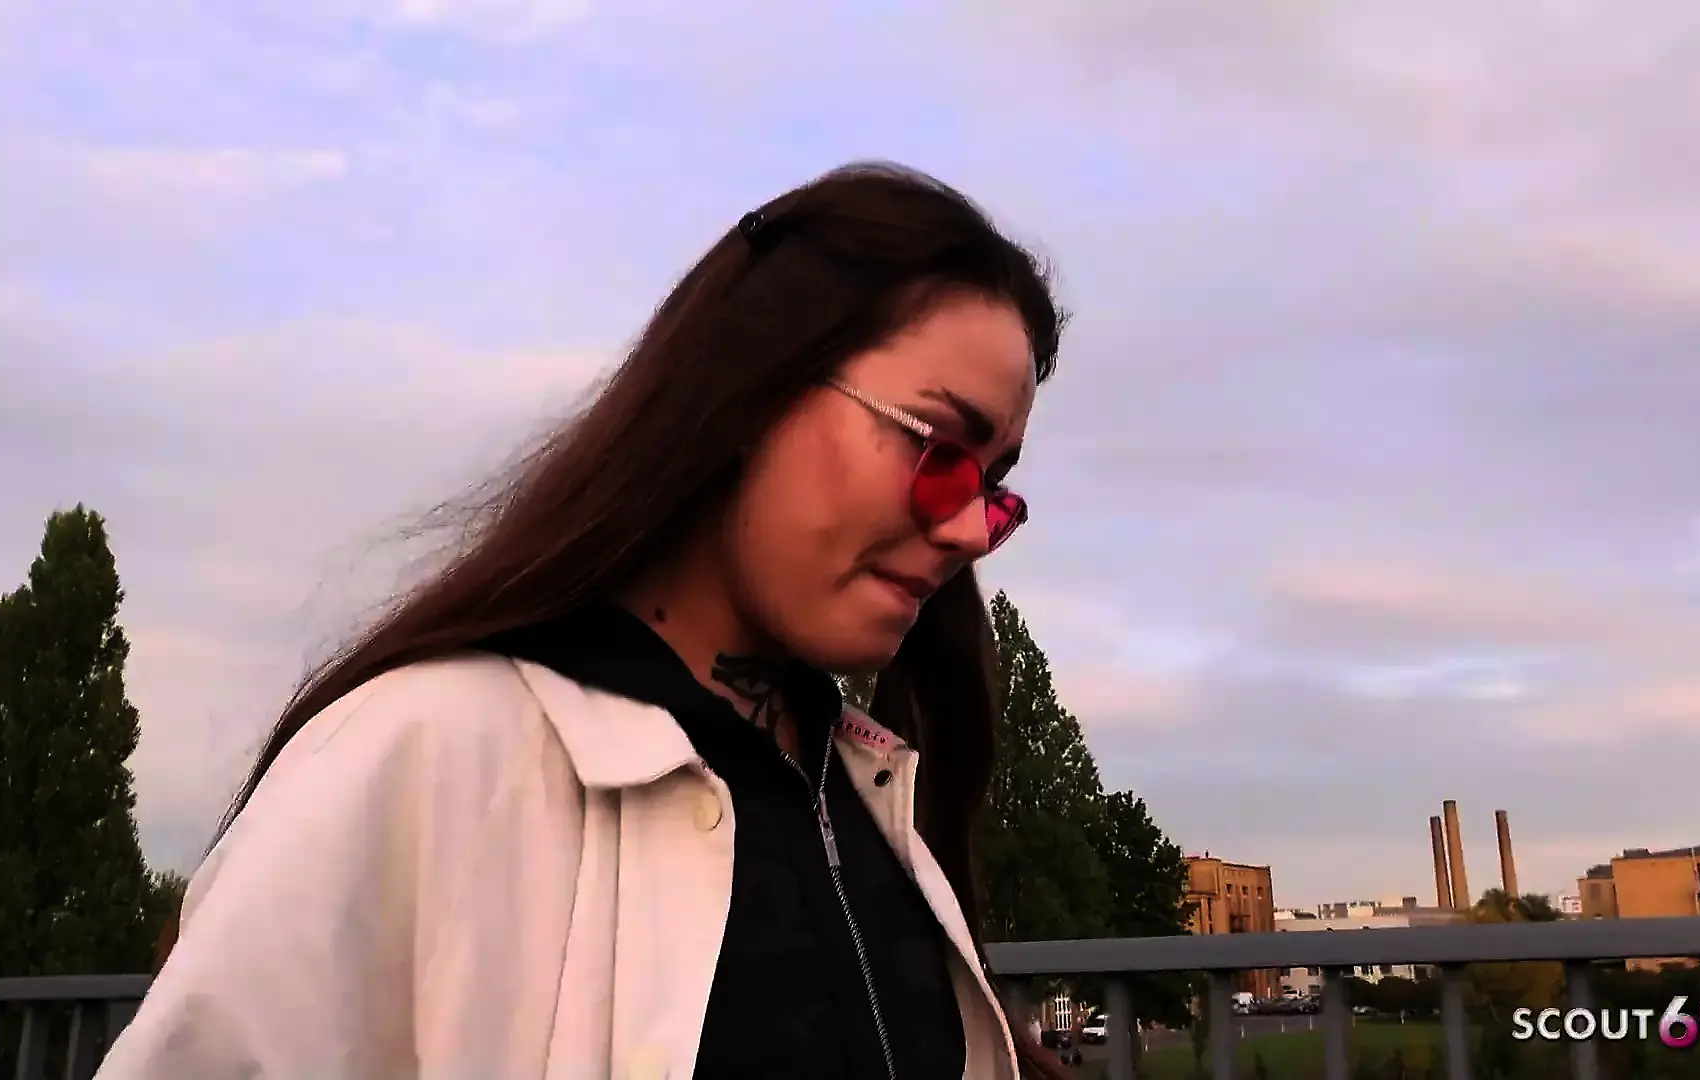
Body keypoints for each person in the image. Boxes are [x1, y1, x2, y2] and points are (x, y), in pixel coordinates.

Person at [96, 161, 1069, 1080]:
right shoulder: (422, 755)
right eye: (941, 451)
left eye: (994, 489)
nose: (968, 531)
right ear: (752, 391)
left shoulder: (876, 801)